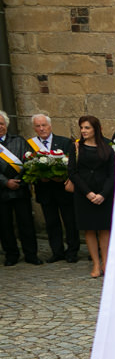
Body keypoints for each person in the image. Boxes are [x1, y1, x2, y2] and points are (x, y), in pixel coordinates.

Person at [69, 115, 115, 278]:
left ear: (96, 129)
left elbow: (112, 174)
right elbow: (73, 172)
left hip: (104, 193)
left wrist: (103, 194)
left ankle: (106, 262)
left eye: (87, 127)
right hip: (84, 193)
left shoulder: (107, 148)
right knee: (89, 229)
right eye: (82, 127)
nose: (83, 131)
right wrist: (88, 193)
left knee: (104, 229)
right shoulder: (76, 147)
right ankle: (96, 263)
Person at [29, 114, 77, 263]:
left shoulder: (63, 142)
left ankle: (72, 251)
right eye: (38, 126)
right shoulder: (30, 145)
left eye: (44, 125)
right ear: (34, 128)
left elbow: (72, 164)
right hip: (45, 191)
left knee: (70, 221)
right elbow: (28, 167)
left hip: (63, 189)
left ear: (50, 126)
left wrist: (61, 176)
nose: (41, 128)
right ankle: (57, 252)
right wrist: (39, 176)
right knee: (51, 222)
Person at [0, 110, 41, 266]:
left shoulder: (19, 141)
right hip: (2, 191)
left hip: (20, 189)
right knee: (5, 225)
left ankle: (31, 254)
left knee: (26, 223)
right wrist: (5, 182)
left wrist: (18, 181)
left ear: (6, 125)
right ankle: (11, 254)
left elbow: (28, 163)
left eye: (1, 123)